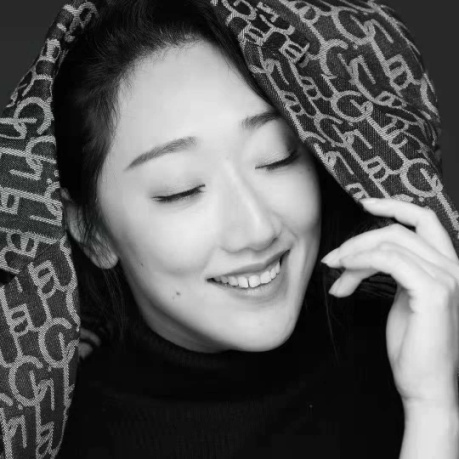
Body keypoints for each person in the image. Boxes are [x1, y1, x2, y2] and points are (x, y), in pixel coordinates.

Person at [0, 0, 458, 458]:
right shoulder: (55, 438)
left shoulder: (419, 342)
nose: (257, 230)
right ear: (91, 231)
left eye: (276, 157)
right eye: (181, 190)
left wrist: (434, 402)